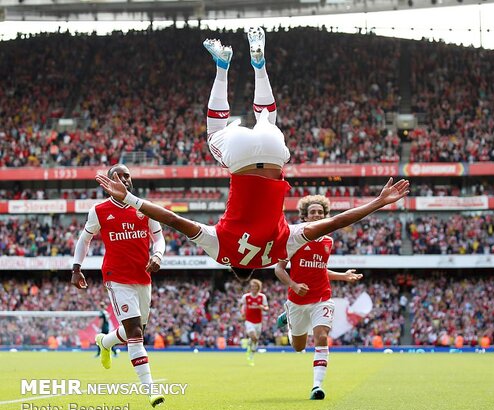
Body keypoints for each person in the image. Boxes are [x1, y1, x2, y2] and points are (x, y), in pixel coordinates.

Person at [95, 28, 410, 282]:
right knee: (215, 134)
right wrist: (131, 199)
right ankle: (223, 67)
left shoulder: (280, 252)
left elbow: (334, 222)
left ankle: (260, 66)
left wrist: (378, 202)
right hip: (241, 160)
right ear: (232, 267)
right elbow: (175, 220)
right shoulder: (221, 252)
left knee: (268, 121)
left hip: (273, 156)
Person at [72, 164, 166, 408]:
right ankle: (151, 391)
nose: (125, 179)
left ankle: (105, 342)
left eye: (128, 176)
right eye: (120, 176)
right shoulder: (99, 210)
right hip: (116, 277)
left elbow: (159, 238)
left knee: (135, 331)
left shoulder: (144, 208)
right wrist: (76, 268)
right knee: (135, 334)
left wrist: (158, 256)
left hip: (143, 277)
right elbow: (85, 239)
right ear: (109, 181)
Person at [274, 195, 363, 400]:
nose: (317, 215)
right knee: (298, 347)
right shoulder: (293, 238)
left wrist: (342, 276)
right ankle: (287, 316)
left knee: (321, 336)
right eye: (313, 212)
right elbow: (278, 270)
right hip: (296, 300)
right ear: (305, 217)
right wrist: (294, 285)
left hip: (322, 297)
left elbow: (320, 269)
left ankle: (317, 386)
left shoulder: (328, 241)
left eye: (320, 213)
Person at [239, 279, 268, 366]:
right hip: (249, 321)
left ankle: (251, 351)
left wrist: (262, 307)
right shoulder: (246, 297)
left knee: (255, 340)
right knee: (253, 336)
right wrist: (242, 313)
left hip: (258, 322)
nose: (253, 288)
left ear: (258, 288)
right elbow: (241, 305)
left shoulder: (262, 297)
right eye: (252, 286)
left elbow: (267, 308)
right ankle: (251, 347)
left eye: (255, 286)